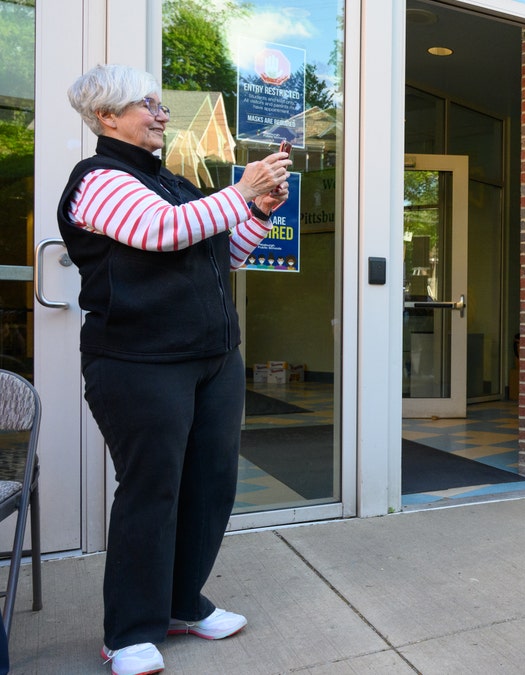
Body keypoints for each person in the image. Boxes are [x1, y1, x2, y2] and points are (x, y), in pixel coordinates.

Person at [59, 64, 291, 675]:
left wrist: (258, 210)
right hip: (138, 362)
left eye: (162, 106)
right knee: (152, 491)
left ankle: (183, 605)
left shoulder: (178, 184)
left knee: (211, 486)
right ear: (107, 116)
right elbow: (160, 234)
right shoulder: (98, 180)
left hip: (211, 361)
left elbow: (223, 253)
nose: (162, 114)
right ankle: (129, 631)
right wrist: (239, 192)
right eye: (148, 105)